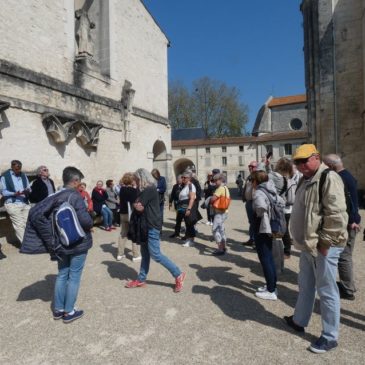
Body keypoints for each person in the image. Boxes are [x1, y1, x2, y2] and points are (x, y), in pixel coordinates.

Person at [284, 144, 348, 354]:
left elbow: (337, 215)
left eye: (304, 161)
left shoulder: (328, 177)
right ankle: (299, 320)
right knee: (305, 285)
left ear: (316, 157)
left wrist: (325, 242)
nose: (300, 165)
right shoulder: (306, 178)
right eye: (297, 162)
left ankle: (330, 337)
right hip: (308, 245)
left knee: (327, 291)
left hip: (323, 246)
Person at [21, 166, 93, 323]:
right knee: (74, 276)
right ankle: (69, 312)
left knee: (62, 275)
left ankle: (58, 310)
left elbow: (35, 213)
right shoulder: (74, 196)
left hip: (60, 243)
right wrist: (91, 220)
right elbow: (86, 222)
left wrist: (50, 237)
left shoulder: (55, 195)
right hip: (78, 243)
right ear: (75, 181)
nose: (80, 184)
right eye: (79, 181)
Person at [125, 168, 186, 292]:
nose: (135, 182)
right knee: (145, 254)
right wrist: (136, 204)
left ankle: (178, 274)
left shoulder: (149, 189)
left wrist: (135, 204)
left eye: (137, 179)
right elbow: (138, 205)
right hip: (145, 226)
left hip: (151, 226)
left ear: (142, 179)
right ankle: (141, 279)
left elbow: (139, 207)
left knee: (156, 255)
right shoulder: (145, 190)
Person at [323, 154, 361, 300]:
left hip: (350, 222)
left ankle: (347, 289)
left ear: (331, 166)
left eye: (326, 165)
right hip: (352, 220)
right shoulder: (347, 175)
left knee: (344, 256)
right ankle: (349, 284)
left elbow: (349, 202)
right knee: (346, 255)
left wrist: (352, 220)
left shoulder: (341, 178)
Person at [251, 170, 282, 300]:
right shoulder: (271, 189)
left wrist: (261, 214)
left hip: (262, 227)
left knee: (265, 258)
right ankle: (272, 285)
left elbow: (260, 208)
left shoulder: (258, 192)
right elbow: (281, 202)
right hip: (271, 226)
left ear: (256, 181)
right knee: (269, 256)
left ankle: (271, 291)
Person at [0, 160, 31, 243]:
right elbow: (3, 192)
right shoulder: (5, 177)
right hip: (12, 203)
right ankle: (25, 245)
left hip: (24, 202)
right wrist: (14, 193)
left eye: (20, 168)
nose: (19, 170)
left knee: (28, 223)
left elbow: (28, 187)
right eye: (17, 169)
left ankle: (29, 243)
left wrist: (27, 190)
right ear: (12, 167)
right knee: (19, 225)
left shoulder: (23, 175)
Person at [117, 173, 140, 261]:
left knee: (123, 233)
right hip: (130, 214)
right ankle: (135, 255)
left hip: (122, 213)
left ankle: (120, 254)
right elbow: (134, 202)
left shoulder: (122, 189)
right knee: (134, 233)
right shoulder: (133, 190)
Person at [176, 170, 200, 247]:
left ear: (189, 178)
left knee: (190, 224)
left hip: (188, 207)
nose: (183, 179)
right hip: (183, 207)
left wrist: (189, 209)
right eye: (182, 177)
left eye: (184, 177)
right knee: (187, 223)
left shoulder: (191, 186)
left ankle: (191, 241)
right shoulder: (186, 186)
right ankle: (188, 239)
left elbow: (192, 198)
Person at [210, 173, 230, 256]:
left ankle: (220, 248)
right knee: (221, 229)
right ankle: (224, 246)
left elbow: (213, 199)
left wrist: (210, 200)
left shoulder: (220, 188)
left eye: (216, 180)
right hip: (224, 211)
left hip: (219, 212)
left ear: (221, 180)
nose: (214, 182)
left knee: (215, 230)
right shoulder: (225, 188)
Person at [242, 161, 258, 246]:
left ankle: (256, 240)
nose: (250, 167)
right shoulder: (249, 177)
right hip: (248, 202)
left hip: (254, 202)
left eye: (252, 166)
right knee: (251, 222)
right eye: (249, 166)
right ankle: (252, 239)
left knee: (255, 222)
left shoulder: (258, 176)